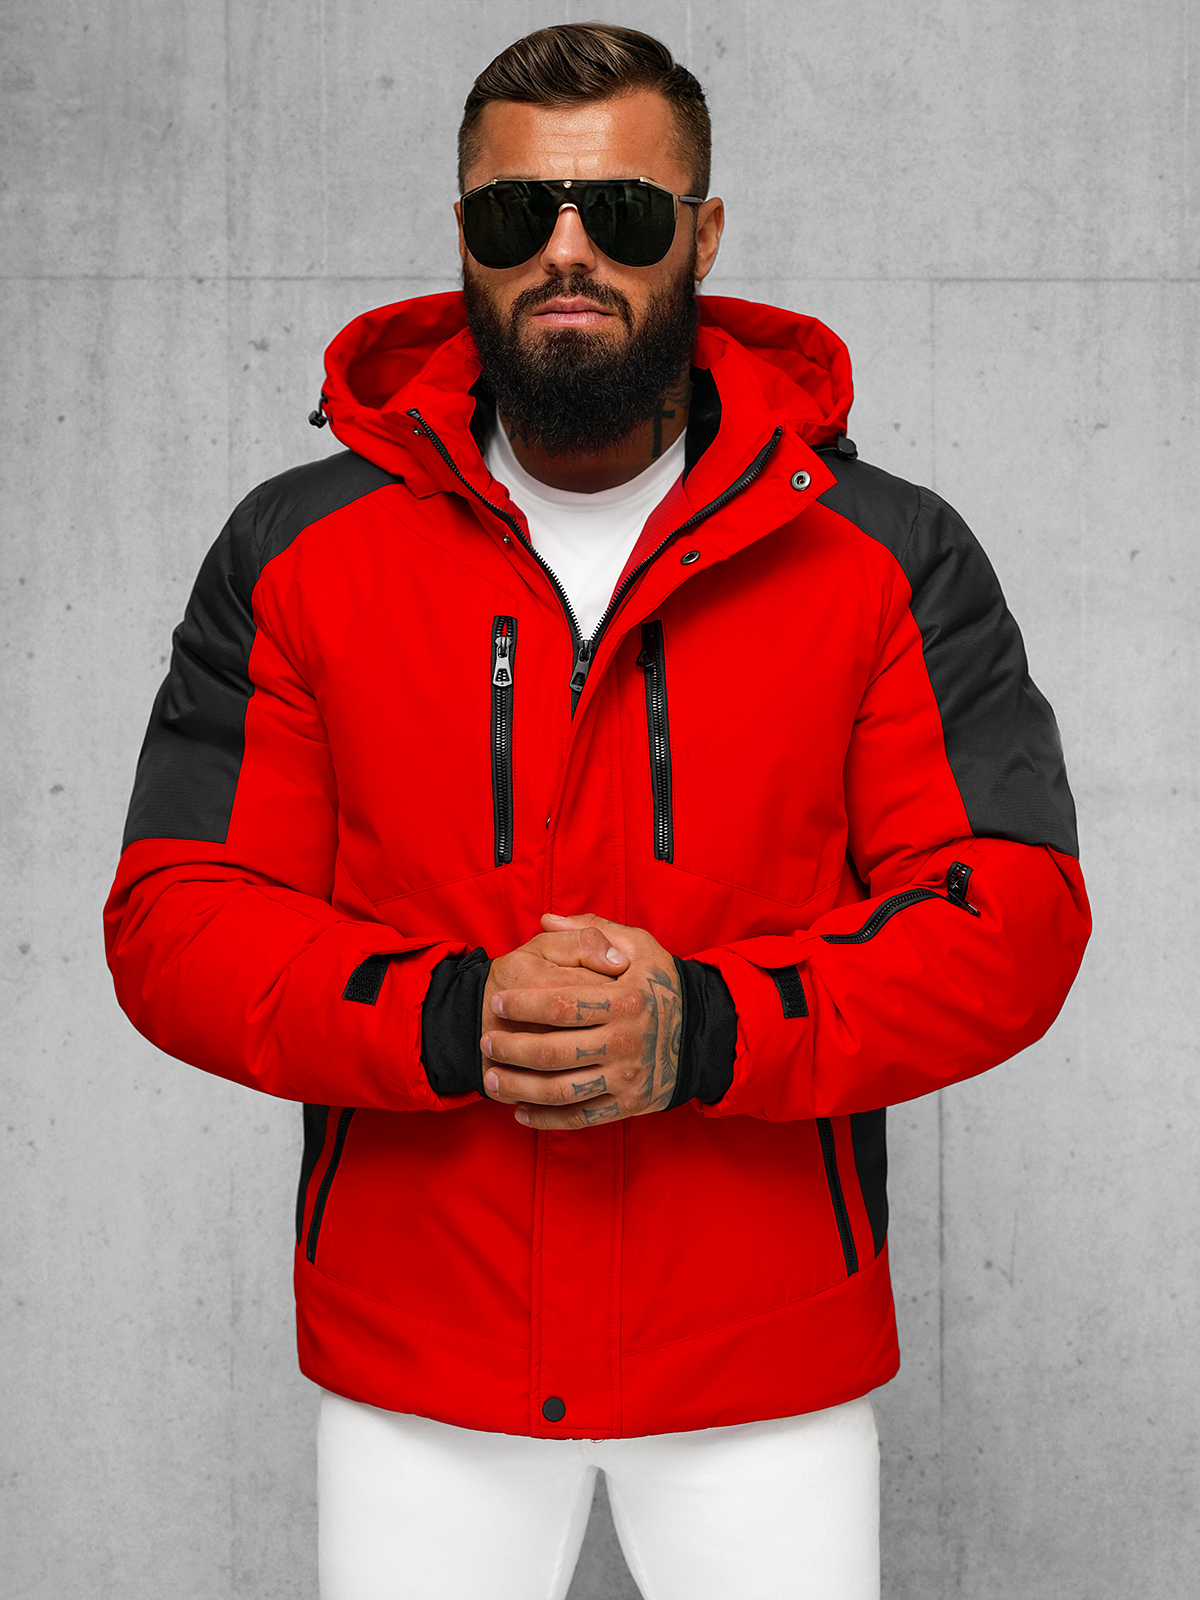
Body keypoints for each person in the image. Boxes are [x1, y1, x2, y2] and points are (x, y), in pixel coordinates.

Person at [103, 22, 1091, 1600]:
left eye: (621, 212)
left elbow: (1009, 918)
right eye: (520, 215)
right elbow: (178, 919)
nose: (567, 253)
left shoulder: (886, 557)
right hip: (422, 1370)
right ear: (465, 239)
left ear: (703, 232)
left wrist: (706, 1028)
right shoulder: (297, 553)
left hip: (763, 1370)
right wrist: (447, 1018)